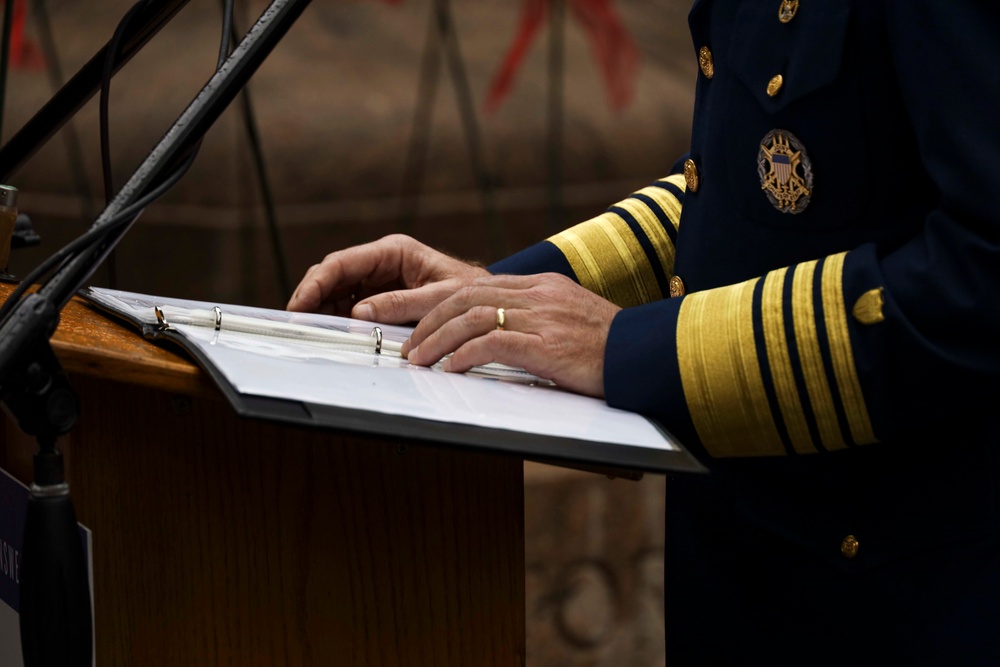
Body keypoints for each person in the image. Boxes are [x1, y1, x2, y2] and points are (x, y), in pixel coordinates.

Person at [289, 0, 1000, 662]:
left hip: (895, 599)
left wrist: (625, 347)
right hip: (735, 571)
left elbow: (980, 274)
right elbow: (733, 192)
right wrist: (497, 296)